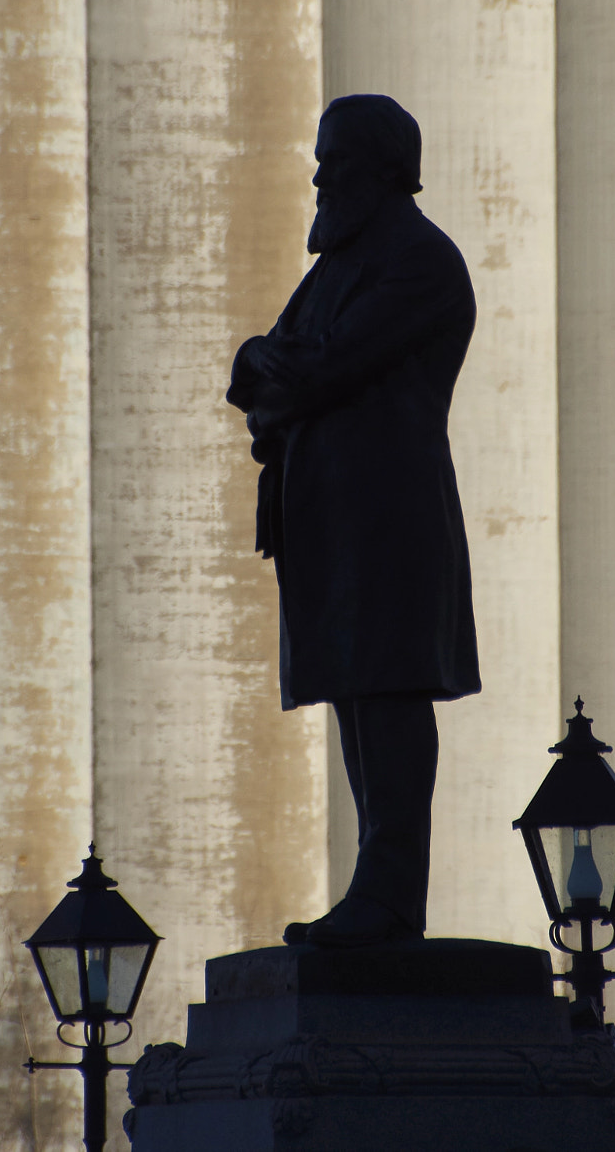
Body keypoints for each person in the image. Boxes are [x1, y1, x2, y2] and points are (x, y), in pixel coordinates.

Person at [226, 93, 479, 948]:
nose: (318, 172)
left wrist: (274, 370)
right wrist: (271, 369)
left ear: (377, 166)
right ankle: (375, 890)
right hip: (337, 524)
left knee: (390, 699)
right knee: (358, 703)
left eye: (333, 157)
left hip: (391, 522)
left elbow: (311, 370)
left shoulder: (419, 261)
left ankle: (391, 895)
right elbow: (260, 370)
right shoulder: (342, 263)